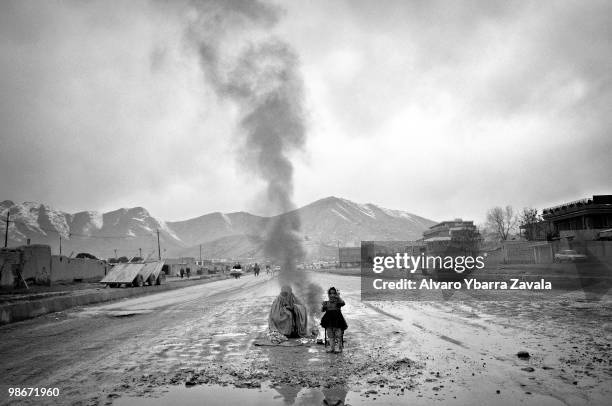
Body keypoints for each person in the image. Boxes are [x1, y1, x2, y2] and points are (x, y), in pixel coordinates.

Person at [320, 287, 348, 353]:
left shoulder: (338, 302)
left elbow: (343, 303)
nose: (332, 295)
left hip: (337, 320)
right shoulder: (326, 303)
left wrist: (338, 297)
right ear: (328, 294)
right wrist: (323, 306)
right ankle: (332, 347)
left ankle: (339, 348)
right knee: (330, 334)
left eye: (333, 293)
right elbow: (322, 310)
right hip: (328, 320)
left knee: (338, 334)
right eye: (330, 293)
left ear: (336, 294)